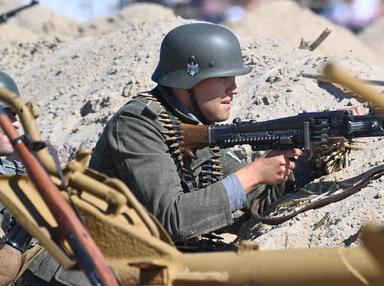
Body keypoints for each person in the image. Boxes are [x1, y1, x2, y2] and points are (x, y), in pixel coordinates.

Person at [89, 23, 312, 251]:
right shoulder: (137, 124)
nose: (233, 88)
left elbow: (259, 204)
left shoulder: (193, 126)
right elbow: (171, 219)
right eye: (222, 78)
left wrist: (315, 150)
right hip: (96, 275)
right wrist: (254, 174)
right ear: (188, 81)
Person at [0, 71, 101, 286]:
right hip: (23, 279)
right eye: (1, 115)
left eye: (13, 113)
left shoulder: (36, 155)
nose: (10, 122)